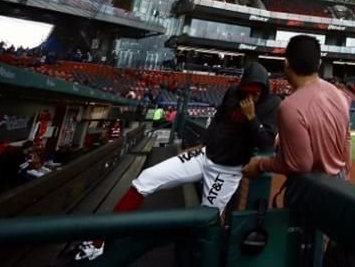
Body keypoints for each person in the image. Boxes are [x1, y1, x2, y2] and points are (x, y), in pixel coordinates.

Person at [70, 62, 279, 262]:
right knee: (146, 178)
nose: (251, 96)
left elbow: (266, 143)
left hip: (227, 171)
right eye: (248, 91)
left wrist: (252, 117)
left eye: (256, 92)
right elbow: (218, 122)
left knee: (205, 219)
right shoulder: (233, 92)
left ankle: (203, 260)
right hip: (204, 155)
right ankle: (98, 242)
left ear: (265, 90)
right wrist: (201, 145)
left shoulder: (272, 104)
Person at [243, 35, 351, 222]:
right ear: (318, 64)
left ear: (286, 63)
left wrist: (260, 164)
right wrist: (344, 175)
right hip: (338, 185)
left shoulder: (290, 107)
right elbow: (347, 140)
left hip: (310, 192)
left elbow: (300, 165)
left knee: (297, 243)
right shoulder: (340, 95)